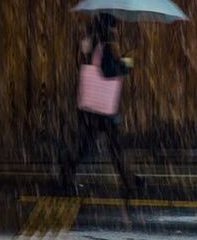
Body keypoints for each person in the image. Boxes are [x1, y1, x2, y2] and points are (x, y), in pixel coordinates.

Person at [59, 13, 138, 195]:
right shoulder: (106, 45)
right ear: (109, 28)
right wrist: (127, 63)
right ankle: (129, 181)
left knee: (88, 144)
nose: (116, 30)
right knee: (111, 145)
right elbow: (109, 70)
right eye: (114, 26)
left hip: (91, 106)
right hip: (103, 108)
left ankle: (67, 175)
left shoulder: (91, 43)